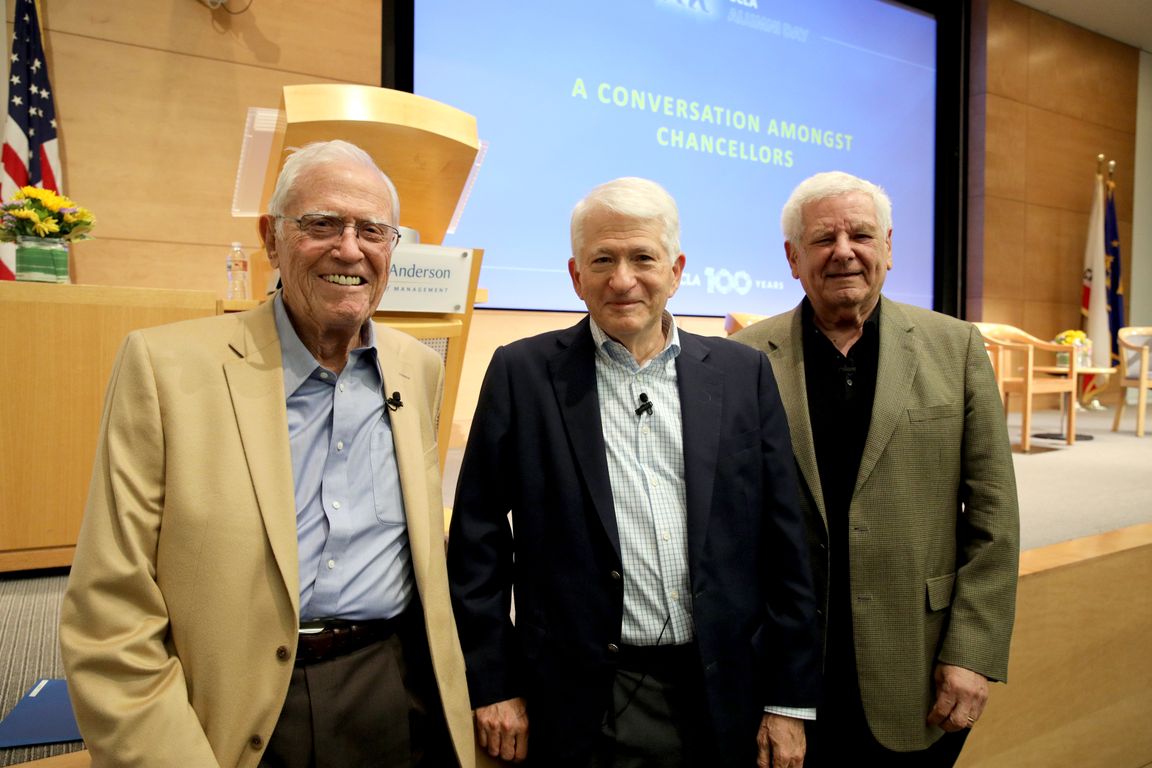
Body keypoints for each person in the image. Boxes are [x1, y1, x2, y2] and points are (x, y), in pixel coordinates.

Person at [60, 140, 488, 768]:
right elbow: (111, 612)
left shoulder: (416, 370)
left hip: (395, 691)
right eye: (321, 224)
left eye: (372, 230)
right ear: (271, 237)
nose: (349, 249)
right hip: (246, 707)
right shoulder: (165, 368)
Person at [446, 177, 820, 767]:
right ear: (575, 275)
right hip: (582, 699)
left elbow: (785, 548)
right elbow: (477, 547)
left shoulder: (742, 374)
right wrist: (492, 682)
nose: (623, 280)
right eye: (603, 260)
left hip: (725, 690)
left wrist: (790, 701)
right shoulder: (521, 375)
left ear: (676, 270)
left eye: (643, 257)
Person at [732, 171, 1020, 766]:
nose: (843, 251)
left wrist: (972, 652)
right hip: (785, 671)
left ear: (888, 246)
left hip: (917, 666)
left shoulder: (958, 347)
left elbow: (994, 515)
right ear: (792, 257)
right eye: (822, 239)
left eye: (861, 234)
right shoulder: (741, 360)